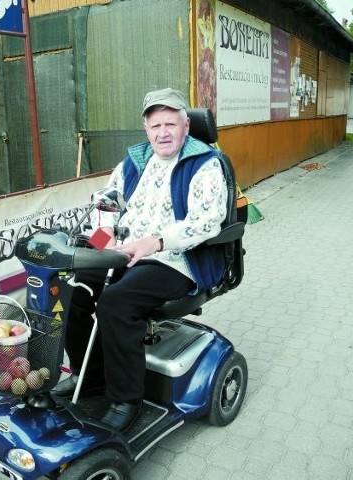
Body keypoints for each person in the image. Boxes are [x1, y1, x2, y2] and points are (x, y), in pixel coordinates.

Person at [51, 88, 229, 431]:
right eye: (155, 125)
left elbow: (206, 221)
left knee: (116, 302)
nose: (163, 132)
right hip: (124, 251)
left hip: (177, 260)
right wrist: (101, 242)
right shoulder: (133, 162)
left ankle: (125, 399)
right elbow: (105, 207)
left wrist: (154, 242)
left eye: (170, 124)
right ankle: (88, 379)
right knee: (71, 290)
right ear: (146, 129)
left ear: (186, 126)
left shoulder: (206, 164)